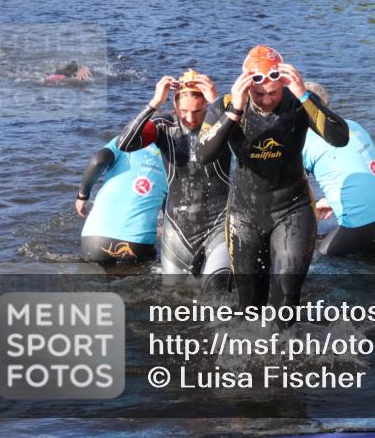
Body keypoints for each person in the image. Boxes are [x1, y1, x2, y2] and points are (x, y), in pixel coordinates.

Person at [197, 46, 349, 313]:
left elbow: (340, 137)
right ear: (246, 85)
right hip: (245, 213)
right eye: (258, 92)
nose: (266, 99)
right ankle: (251, 352)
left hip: (293, 208)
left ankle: (286, 351)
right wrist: (236, 110)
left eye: (273, 92)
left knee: (287, 295)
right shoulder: (225, 105)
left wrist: (302, 94)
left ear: (283, 83)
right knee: (250, 304)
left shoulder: (299, 102)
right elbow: (204, 154)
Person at [118, 70, 233, 286]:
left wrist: (218, 102)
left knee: (216, 289)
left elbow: (249, 133)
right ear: (174, 107)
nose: (190, 118)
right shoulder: (163, 126)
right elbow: (125, 144)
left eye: (198, 111)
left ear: (207, 105)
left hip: (218, 224)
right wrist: (154, 103)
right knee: (172, 297)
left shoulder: (224, 122)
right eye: (184, 111)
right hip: (177, 230)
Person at [301, 82, 375, 256]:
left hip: (363, 228)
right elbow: (362, 169)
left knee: (319, 257)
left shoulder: (303, 142)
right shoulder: (353, 126)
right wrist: (332, 200)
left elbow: (293, 198)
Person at [76, 136, 167, 264]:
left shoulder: (126, 139)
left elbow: (98, 161)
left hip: (94, 238)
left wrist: (82, 195)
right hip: (137, 245)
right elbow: (172, 212)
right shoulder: (174, 157)